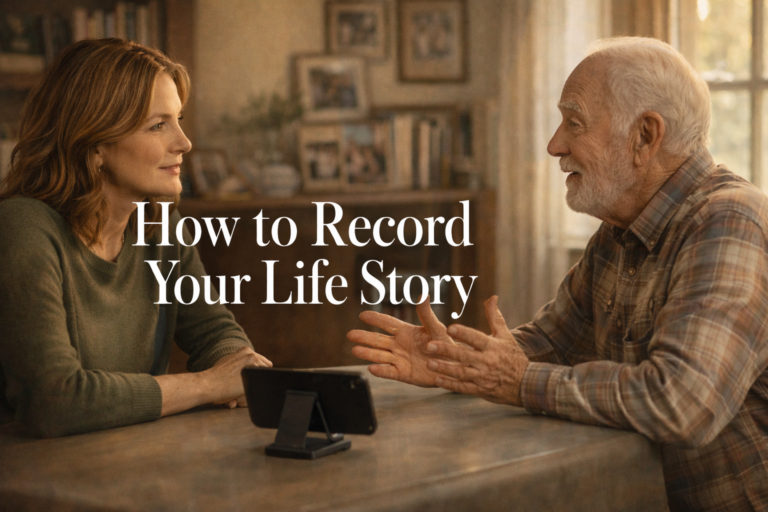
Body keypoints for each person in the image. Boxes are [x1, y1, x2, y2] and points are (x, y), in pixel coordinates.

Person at [348, 37, 768, 511]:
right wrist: (452, 358)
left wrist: (520, 382)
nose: (554, 145)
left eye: (575, 122)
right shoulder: (618, 230)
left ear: (645, 137)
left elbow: (681, 401)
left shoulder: (729, 219)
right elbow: (547, 343)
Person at [0, 38, 272, 438]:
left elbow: (215, 332)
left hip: (131, 460)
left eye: (178, 119)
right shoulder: (23, 226)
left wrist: (241, 367)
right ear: (94, 145)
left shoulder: (161, 223)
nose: (184, 142)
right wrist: (209, 384)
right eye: (158, 125)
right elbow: (54, 400)